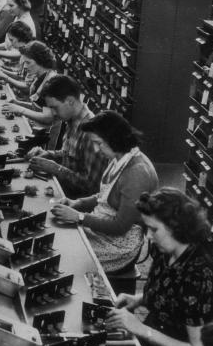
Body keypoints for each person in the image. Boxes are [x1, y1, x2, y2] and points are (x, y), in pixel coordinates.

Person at [105, 188, 213, 346]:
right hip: (154, 344)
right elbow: (169, 293)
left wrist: (141, 329)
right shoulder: (165, 250)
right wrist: (139, 299)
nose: (149, 236)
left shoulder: (199, 275)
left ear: (176, 227)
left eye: (154, 229)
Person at [51, 111, 158, 273]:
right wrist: (77, 203)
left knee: (65, 255)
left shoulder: (137, 173)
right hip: (104, 229)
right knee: (58, 239)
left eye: (98, 143)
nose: (95, 149)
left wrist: (79, 217)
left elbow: (121, 226)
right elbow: (104, 196)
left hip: (120, 245)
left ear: (114, 139)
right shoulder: (118, 157)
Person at [28, 75, 110, 198]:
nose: (53, 113)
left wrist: (56, 169)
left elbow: (92, 187)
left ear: (70, 101)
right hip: (62, 190)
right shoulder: (71, 120)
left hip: (75, 202)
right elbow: (70, 155)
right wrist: (48, 154)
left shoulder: (91, 134)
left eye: (55, 107)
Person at [0, 40, 57, 126]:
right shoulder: (40, 76)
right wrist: (18, 104)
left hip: (45, 133)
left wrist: (20, 109)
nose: (25, 67)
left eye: (28, 62)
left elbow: (48, 118)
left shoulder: (51, 82)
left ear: (40, 61)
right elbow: (39, 107)